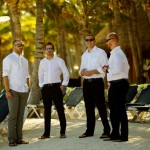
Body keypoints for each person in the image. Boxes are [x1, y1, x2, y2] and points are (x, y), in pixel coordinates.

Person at [79, 34, 111, 139]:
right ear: (85, 42)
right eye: (87, 40)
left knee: (101, 106)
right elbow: (80, 70)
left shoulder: (101, 52)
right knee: (88, 108)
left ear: (94, 41)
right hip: (86, 83)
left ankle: (106, 130)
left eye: (91, 39)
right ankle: (89, 131)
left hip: (97, 82)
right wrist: (83, 73)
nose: (89, 41)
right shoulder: (84, 55)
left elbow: (104, 67)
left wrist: (91, 72)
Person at [38, 42, 69, 139]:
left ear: (54, 50)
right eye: (47, 48)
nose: (49, 50)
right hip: (46, 88)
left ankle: (62, 132)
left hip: (56, 87)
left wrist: (63, 85)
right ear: (45, 51)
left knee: (60, 109)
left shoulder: (59, 60)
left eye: (51, 48)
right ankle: (46, 133)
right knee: (47, 111)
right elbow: (40, 75)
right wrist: (41, 85)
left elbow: (66, 73)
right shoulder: (42, 62)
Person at [2, 39, 30, 146]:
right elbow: (5, 76)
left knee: (20, 115)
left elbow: (27, 75)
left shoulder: (25, 60)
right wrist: (7, 90)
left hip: (23, 91)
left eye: (22, 45)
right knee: (13, 116)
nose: (21, 47)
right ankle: (11, 140)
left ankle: (19, 138)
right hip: (13, 90)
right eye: (18, 45)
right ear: (13, 46)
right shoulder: (8, 59)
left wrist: (28, 87)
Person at [103, 32, 130, 142]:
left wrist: (107, 69)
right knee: (113, 111)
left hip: (119, 84)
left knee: (120, 110)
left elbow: (118, 69)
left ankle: (123, 136)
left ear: (112, 39)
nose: (107, 42)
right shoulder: (114, 54)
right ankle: (115, 134)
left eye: (107, 40)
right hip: (114, 84)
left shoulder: (118, 54)